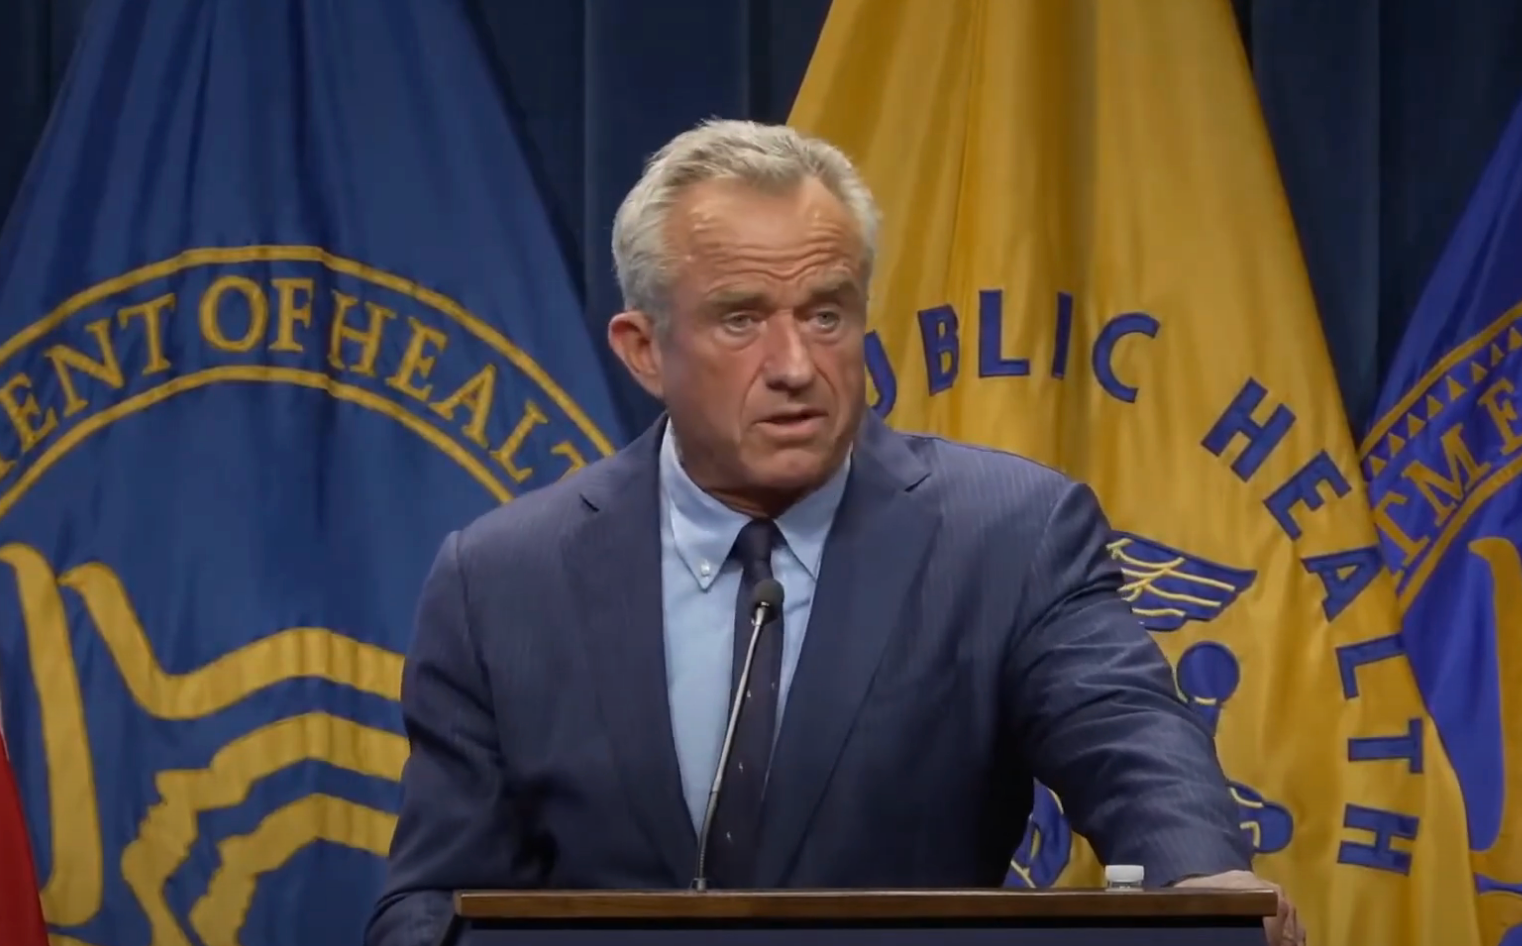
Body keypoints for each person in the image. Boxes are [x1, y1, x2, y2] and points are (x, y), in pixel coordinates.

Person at [365, 119, 1304, 946]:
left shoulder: (1008, 537)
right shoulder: (500, 581)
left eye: (826, 315)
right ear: (644, 350)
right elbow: (434, 900)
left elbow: (1126, 733)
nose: (795, 366)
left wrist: (1201, 882)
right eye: (742, 319)